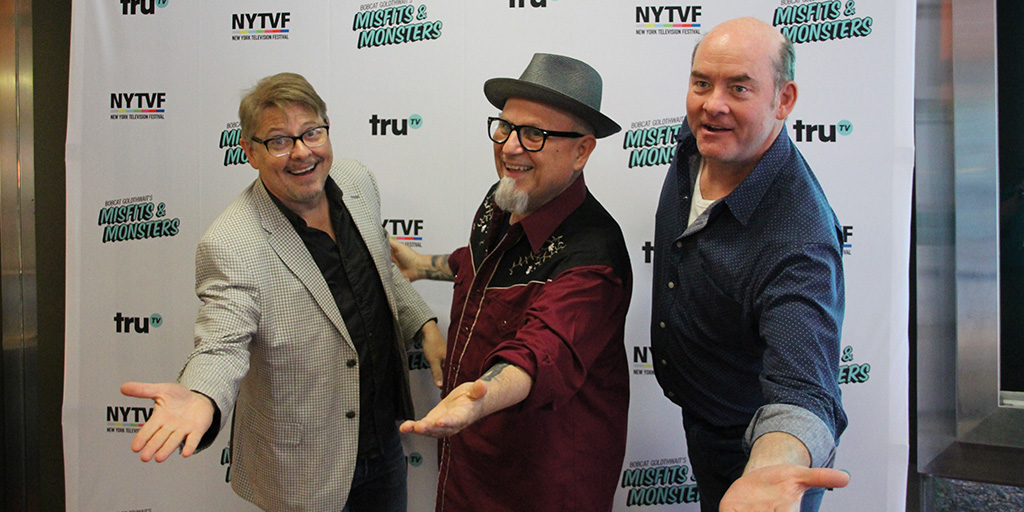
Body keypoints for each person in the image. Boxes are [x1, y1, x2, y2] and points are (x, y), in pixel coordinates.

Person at [120, 72, 446, 512]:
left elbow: (379, 273)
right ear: (249, 151)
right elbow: (221, 343)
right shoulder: (231, 242)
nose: (302, 152)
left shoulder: (357, 182)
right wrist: (201, 396)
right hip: (304, 469)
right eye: (279, 140)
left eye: (312, 132)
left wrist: (422, 321)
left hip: (383, 442)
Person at [391, 53, 632, 512]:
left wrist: (479, 400)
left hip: (536, 485)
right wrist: (425, 265)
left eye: (534, 134)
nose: (510, 147)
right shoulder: (507, 195)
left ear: (582, 150)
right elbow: (485, 266)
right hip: (467, 465)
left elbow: (542, 352)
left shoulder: (594, 258)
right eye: (504, 127)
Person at [650, 17, 851, 512]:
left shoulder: (798, 238)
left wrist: (771, 467)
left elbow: (804, 390)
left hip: (754, 458)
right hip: (701, 414)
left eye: (739, 88)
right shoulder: (705, 134)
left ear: (783, 101)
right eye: (701, 83)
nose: (712, 104)